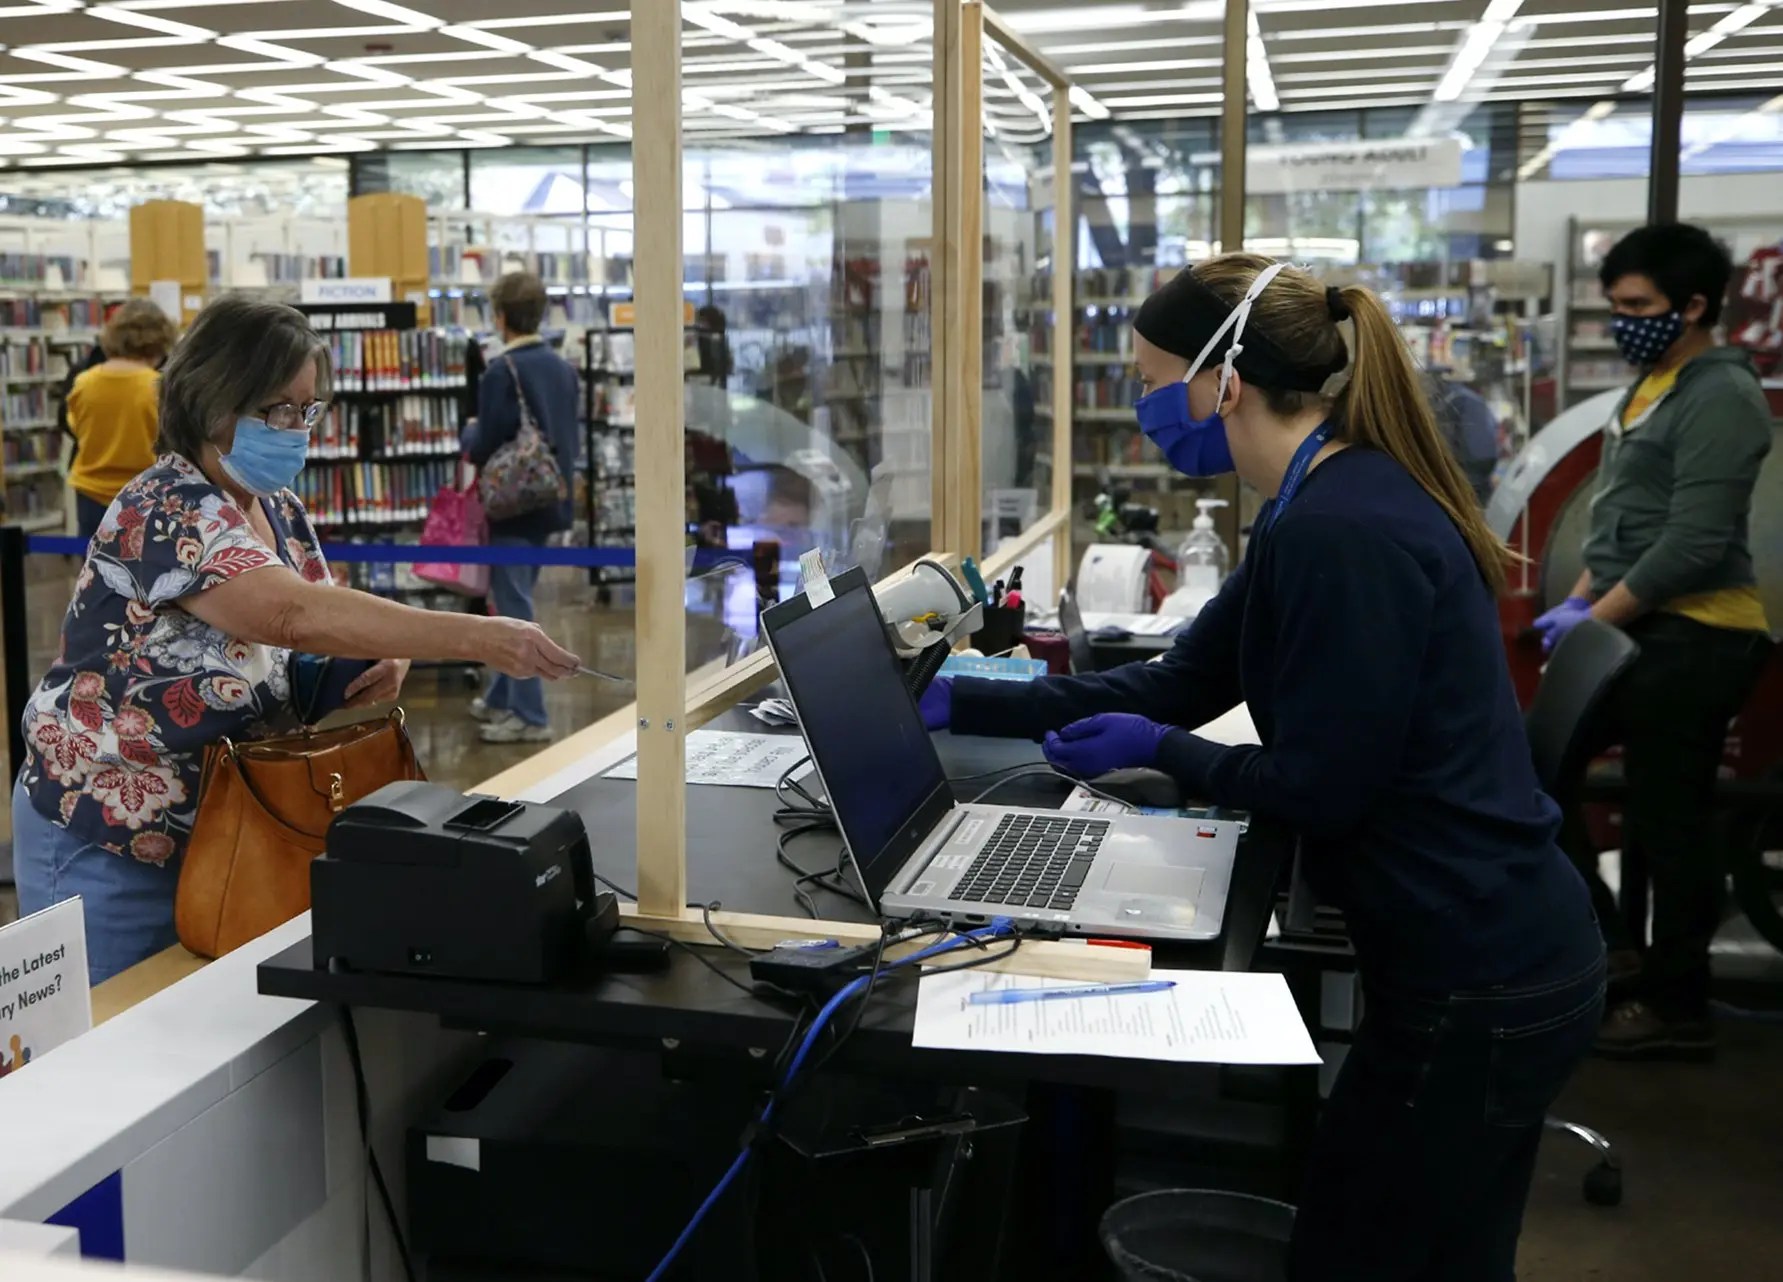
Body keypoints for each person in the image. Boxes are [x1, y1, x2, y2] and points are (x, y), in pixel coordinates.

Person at [922, 255, 1603, 1281]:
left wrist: (1163, 753)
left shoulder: (1341, 529)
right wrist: (960, 697)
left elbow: (1322, 788)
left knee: (1362, 1255)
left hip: (1477, 974)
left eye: (1152, 381)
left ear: (1225, 380)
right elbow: (1183, 678)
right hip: (1472, 952)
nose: (1145, 406)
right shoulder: (1310, 501)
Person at [12, 296, 582, 986]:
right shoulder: (163, 507)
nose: (296, 430)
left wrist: (376, 655)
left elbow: (302, 635)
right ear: (214, 397)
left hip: (224, 831)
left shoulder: (275, 506)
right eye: (278, 409)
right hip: (108, 830)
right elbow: (287, 614)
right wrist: (478, 637)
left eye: (307, 410)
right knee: (106, 1034)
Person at [1534, 223, 1774, 1060]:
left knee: (1670, 824)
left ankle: (1677, 1005)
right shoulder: (1653, 384)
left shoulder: (1721, 396)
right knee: (1531, 769)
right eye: (1616, 305)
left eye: (1637, 306)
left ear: (1694, 305)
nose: (1622, 321)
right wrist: (1577, 600)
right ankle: (1610, 948)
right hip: (1635, 625)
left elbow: (1693, 545)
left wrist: (1592, 620)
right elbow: (1622, 521)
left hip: (1698, 637)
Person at [463, 272, 581, 746]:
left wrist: (469, 432)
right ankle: (500, 696)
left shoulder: (501, 371)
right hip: (549, 499)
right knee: (517, 597)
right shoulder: (561, 367)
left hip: (512, 505)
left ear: (501, 317)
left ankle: (531, 716)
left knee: (513, 608)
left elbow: (484, 444)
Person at [66, 300, 176, 540]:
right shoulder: (157, 387)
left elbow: (76, 427)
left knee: (93, 559)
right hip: (144, 494)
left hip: (90, 491)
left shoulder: (84, 382)